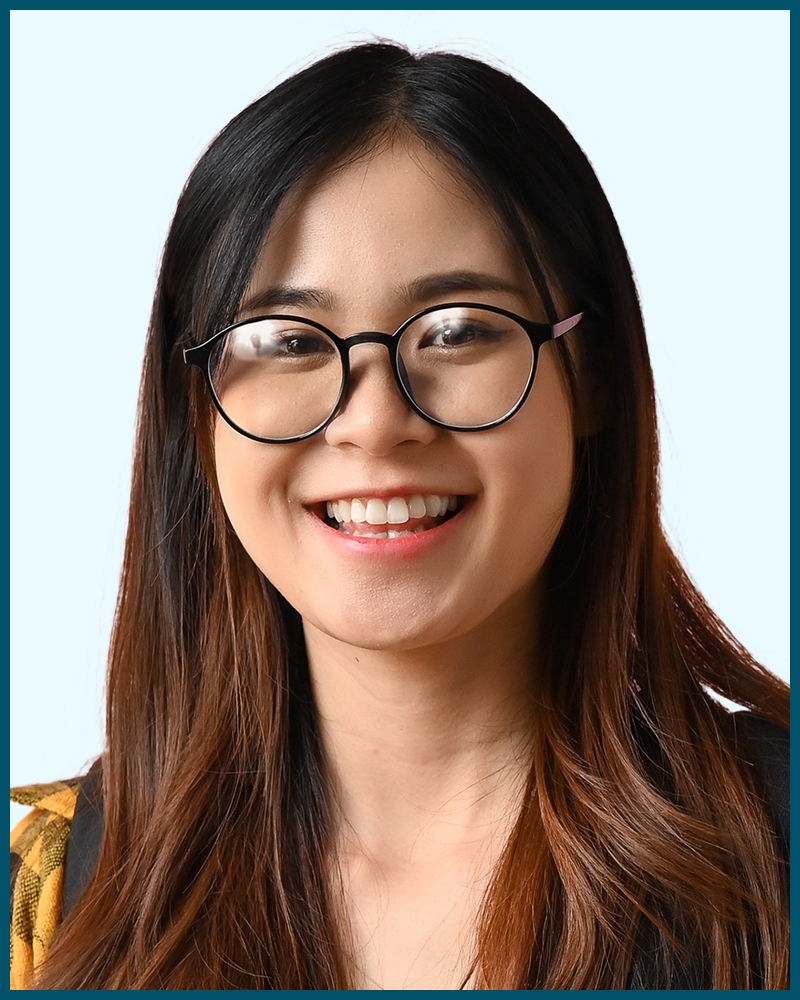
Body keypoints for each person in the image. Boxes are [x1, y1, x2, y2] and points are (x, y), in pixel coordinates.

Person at [10, 42, 788, 990]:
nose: (375, 422)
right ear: (195, 413)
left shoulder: (777, 856)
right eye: (288, 340)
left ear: (595, 380)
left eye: (459, 330)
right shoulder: (50, 898)